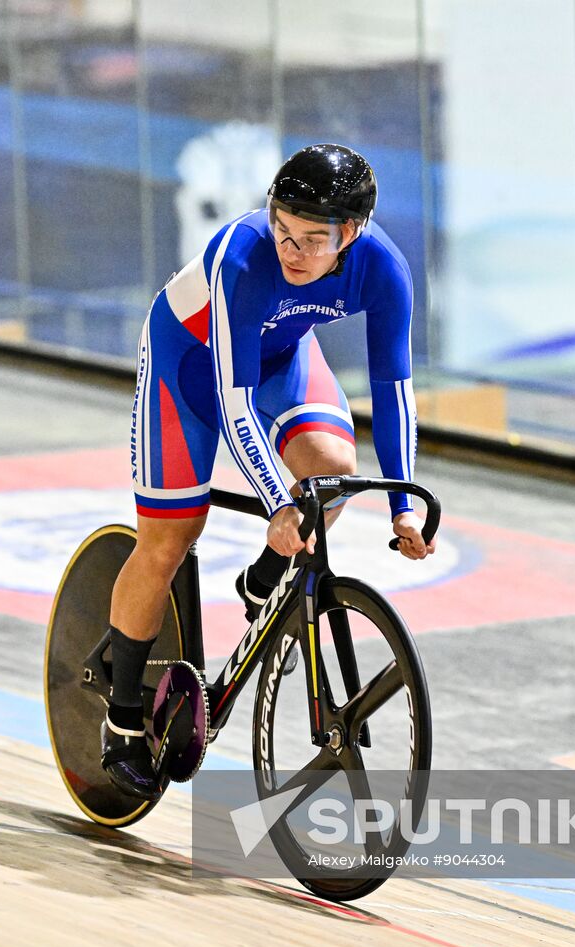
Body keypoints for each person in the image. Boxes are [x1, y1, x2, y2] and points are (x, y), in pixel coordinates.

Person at [102, 143, 434, 799]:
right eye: (284, 228)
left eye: (315, 240)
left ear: (353, 234)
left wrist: (403, 505)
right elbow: (232, 401)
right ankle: (121, 718)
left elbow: (394, 389)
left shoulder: (383, 270)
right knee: (169, 540)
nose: (293, 249)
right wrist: (277, 503)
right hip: (190, 365)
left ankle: (264, 581)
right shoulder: (243, 255)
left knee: (334, 468)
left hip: (282, 357)